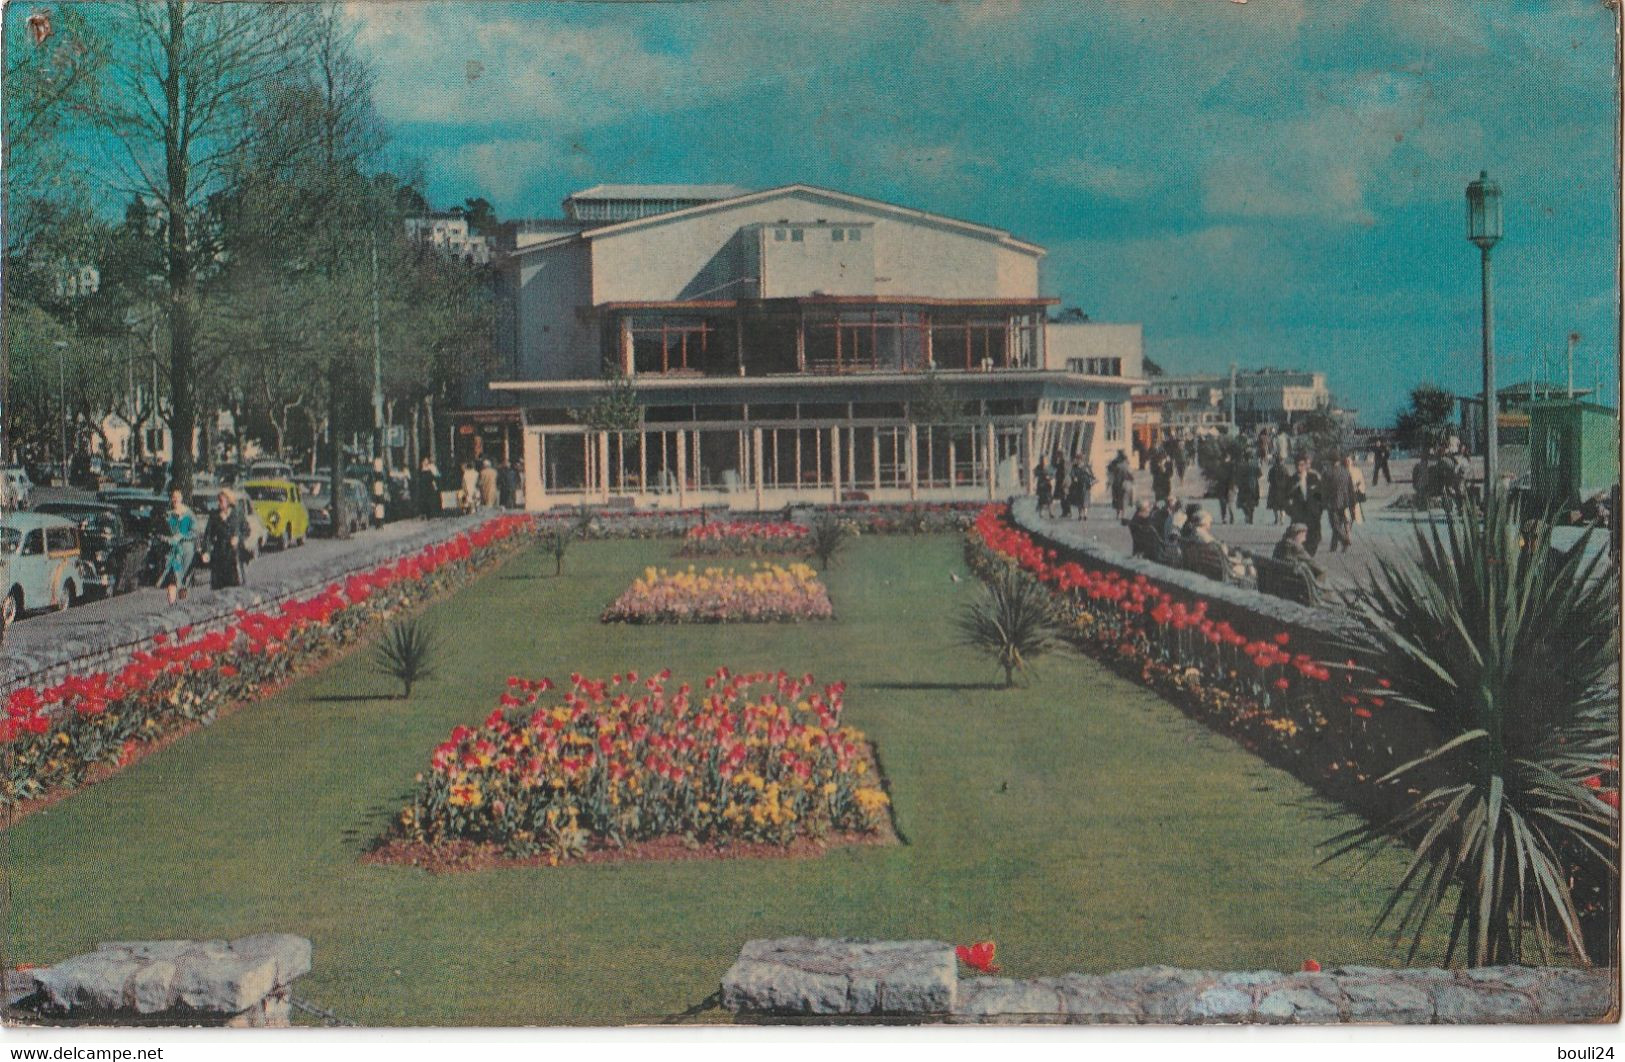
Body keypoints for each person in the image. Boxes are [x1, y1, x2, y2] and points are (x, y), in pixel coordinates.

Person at [200, 488, 247, 590]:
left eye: (221, 500)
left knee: (236, 587)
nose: (218, 503)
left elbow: (246, 530)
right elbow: (208, 535)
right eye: (218, 500)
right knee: (219, 589)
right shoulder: (214, 516)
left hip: (234, 555)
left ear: (229, 501)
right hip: (219, 555)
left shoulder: (238, 513)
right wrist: (206, 551)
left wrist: (238, 538)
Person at [158, 489, 196, 606]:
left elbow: (194, 532)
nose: (175, 500)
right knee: (172, 578)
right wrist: (164, 538)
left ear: (181, 498)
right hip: (173, 553)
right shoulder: (168, 516)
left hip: (186, 551)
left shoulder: (189, 515)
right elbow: (160, 532)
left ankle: (183, 604)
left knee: (183, 582)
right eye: (173, 497)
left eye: (177, 497)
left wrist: (182, 536)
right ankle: (171, 604)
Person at [1285, 455, 1324, 555]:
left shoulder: (1313, 478)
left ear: (1306, 465)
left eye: (1302, 465)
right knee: (1301, 540)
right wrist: (1291, 512)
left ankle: (1310, 554)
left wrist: (1319, 509)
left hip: (1313, 513)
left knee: (1314, 539)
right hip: (1299, 515)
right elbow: (1286, 498)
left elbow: (1319, 494)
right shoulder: (1292, 480)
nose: (1299, 467)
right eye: (1297, 465)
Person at [1323, 455, 1355, 553]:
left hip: (1332, 502)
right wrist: (1352, 503)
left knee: (1335, 525)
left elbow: (1323, 489)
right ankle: (1333, 547)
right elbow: (1351, 489)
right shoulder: (1346, 471)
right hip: (1345, 502)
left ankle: (1345, 540)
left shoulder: (1328, 472)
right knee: (1339, 524)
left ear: (1331, 461)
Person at [1107, 450, 1132, 521]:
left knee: (1117, 499)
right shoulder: (1126, 464)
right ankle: (1123, 515)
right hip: (1124, 484)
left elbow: (1109, 470)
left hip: (1117, 484)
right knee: (1124, 499)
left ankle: (1118, 514)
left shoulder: (1114, 463)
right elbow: (1130, 475)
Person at [1236, 454, 1260, 525]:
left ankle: (1247, 514)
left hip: (1243, 486)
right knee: (1252, 503)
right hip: (1254, 486)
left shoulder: (1241, 466)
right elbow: (1260, 475)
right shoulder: (1255, 466)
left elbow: (1238, 476)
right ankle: (1251, 518)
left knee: (1243, 502)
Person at [1068, 453, 1094, 520]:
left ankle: (1085, 515)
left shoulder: (1086, 466)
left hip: (1086, 485)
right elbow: (1072, 474)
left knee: (1085, 500)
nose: (1078, 460)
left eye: (1079, 459)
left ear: (1082, 460)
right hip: (1078, 485)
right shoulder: (1075, 466)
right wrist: (1074, 478)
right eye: (1077, 459)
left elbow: (1091, 475)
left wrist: (1090, 478)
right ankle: (1080, 515)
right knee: (1079, 501)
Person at [1344, 454, 1367, 524]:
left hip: (1355, 494)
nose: (1347, 462)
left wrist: (1357, 486)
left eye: (1349, 460)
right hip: (1345, 494)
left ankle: (1357, 521)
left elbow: (1361, 481)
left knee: (1356, 510)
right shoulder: (1343, 470)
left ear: (1352, 461)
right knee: (1346, 512)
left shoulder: (1357, 470)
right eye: (1346, 461)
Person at [1266, 455, 1289, 524]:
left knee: (1274, 506)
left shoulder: (1272, 469)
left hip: (1274, 489)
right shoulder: (1285, 469)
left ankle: (1276, 519)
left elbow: (1269, 479)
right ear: (1281, 461)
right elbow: (1288, 479)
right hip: (1283, 489)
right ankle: (1282, 519)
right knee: (1282, 506)